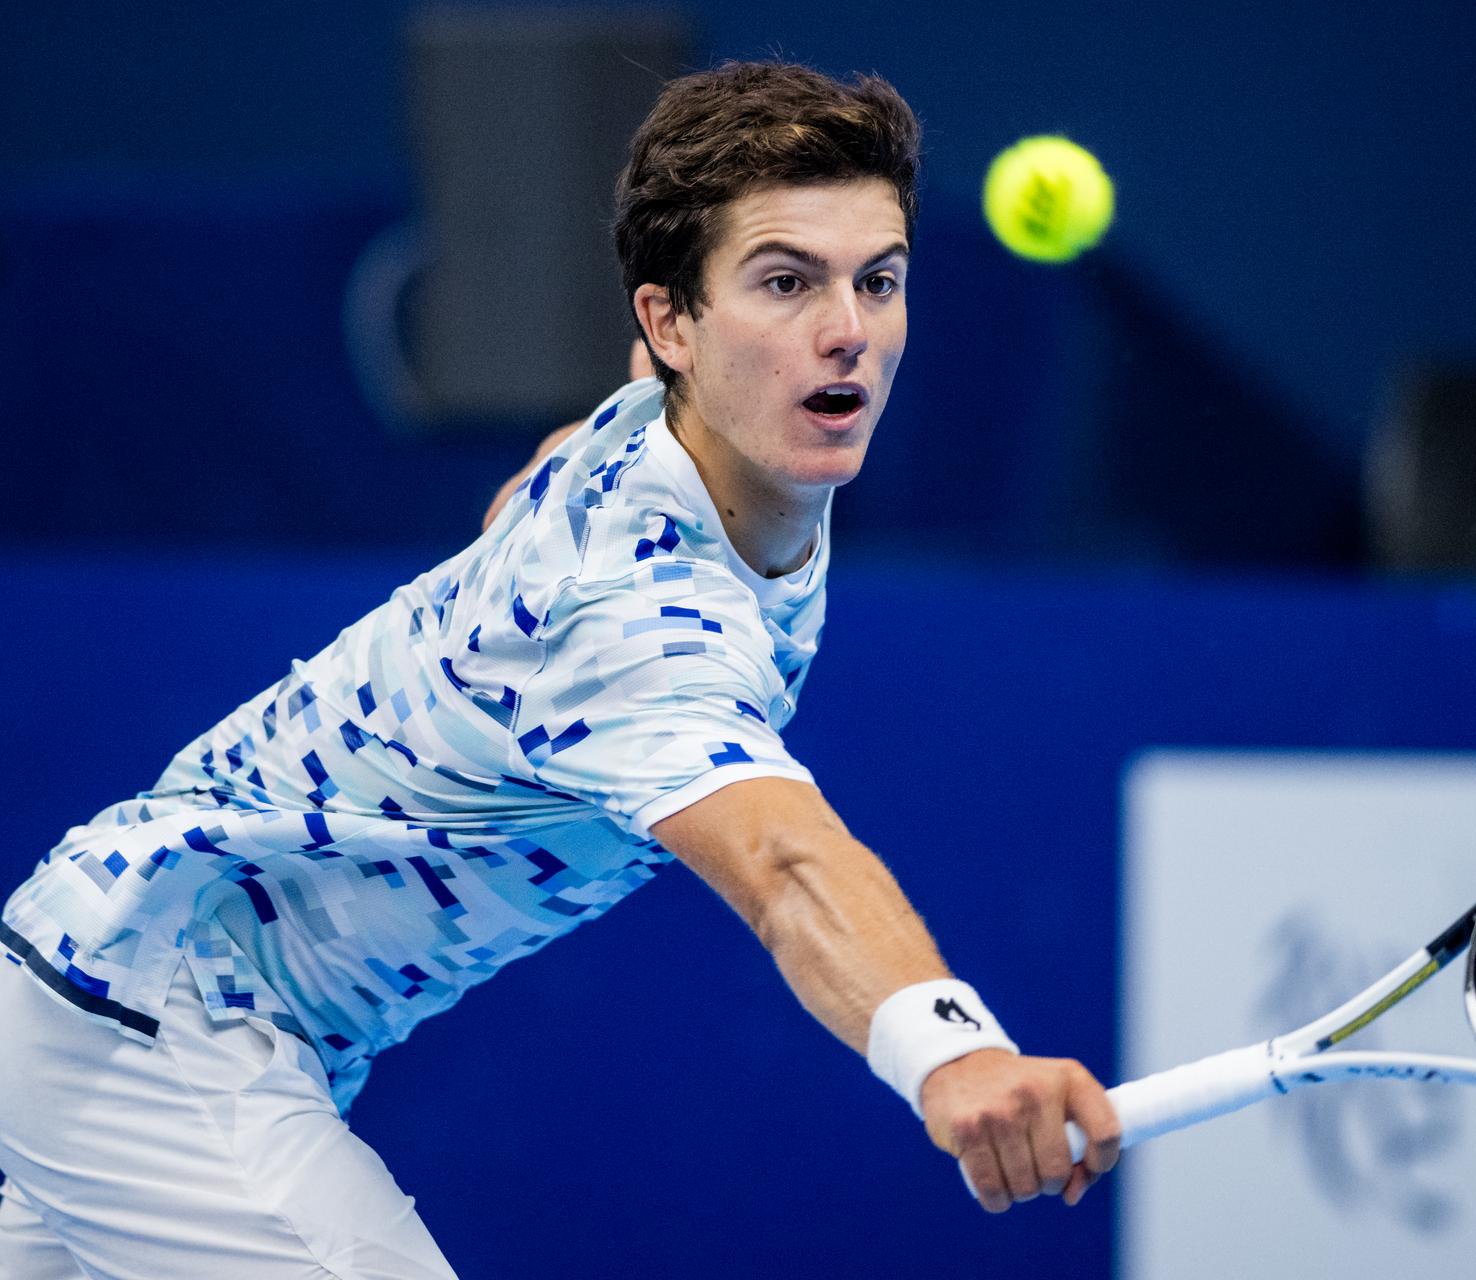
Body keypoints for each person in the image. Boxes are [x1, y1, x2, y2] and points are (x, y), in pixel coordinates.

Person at [0, 61, 1120, 1279]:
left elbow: (525, 494)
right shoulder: (634, 618)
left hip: (115, 983)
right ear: (670, 321)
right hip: (161, 1009)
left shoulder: (668, 423)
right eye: (786, 280)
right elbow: (788, 866)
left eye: (879, 280)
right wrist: (952, 1051)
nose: (848, 328)